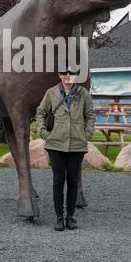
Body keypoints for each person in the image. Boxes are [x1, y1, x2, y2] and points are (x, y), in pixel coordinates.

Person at [36, 66, 95, 231]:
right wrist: (44, 132)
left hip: (77, 144)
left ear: (76, 75)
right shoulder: (51, 93)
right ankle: (59, 217)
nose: (68, 75)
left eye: (72, 72)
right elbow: (40, 112)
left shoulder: (83, 94)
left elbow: (90, 115)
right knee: (58, 180)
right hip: (55, 144)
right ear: (59, 75)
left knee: (73, 180)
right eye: (64, 72)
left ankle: (70, 217)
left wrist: (87, 134)